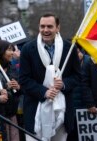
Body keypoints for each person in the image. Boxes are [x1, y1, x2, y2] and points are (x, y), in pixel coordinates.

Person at [19, 12, 82, 141]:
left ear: (58, 28)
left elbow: (77, 76)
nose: (45, 30)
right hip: (36, 110)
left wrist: (64, 84)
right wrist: (44, 92)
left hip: (62, 110)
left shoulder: (69, 48)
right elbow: (24, 80)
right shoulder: (27, 49)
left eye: (49, 26)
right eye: (42, 26)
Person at [0, 40, 21, 141]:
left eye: (12, 49)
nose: (12, 52)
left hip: (12, 116)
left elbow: (20, 91)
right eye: (9, 50)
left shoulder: (12, 68)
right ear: (0, 51)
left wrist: (18, 87)